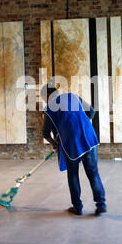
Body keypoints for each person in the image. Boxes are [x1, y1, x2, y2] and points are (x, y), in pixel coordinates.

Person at [41, 84, 107, 216]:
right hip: (88, 136)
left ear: (47, 96)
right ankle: (101, 204)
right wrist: (80, 123)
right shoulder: (73, 97)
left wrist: (54, 143)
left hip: (70, 143)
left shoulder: (49, 109)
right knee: (93, 172)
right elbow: (92, 112)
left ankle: (77, 207)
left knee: (73, 174)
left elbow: (45, 133)